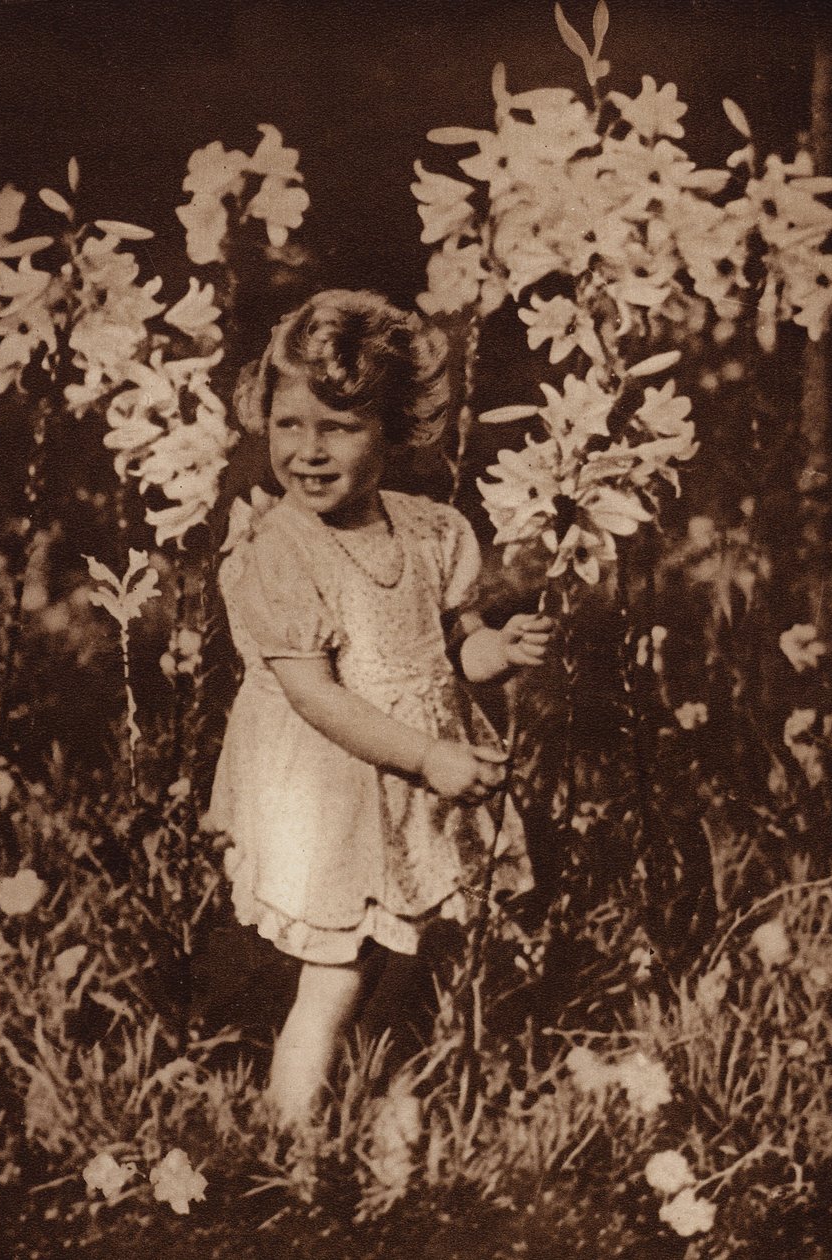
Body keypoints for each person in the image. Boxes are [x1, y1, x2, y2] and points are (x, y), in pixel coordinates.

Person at [205, 290, 552, 1128]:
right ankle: (286, 1143)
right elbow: (317, 697)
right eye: (289, 425)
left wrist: (495, 652)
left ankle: (389, 1108)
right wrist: (431, 757)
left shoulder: (430, 531)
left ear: (395, 429)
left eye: (339, 427)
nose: (308, 451)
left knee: (409, 960)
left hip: (409, 790)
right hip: (330, 792)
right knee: (336, 973)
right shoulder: (276, 551)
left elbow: (450, 647)